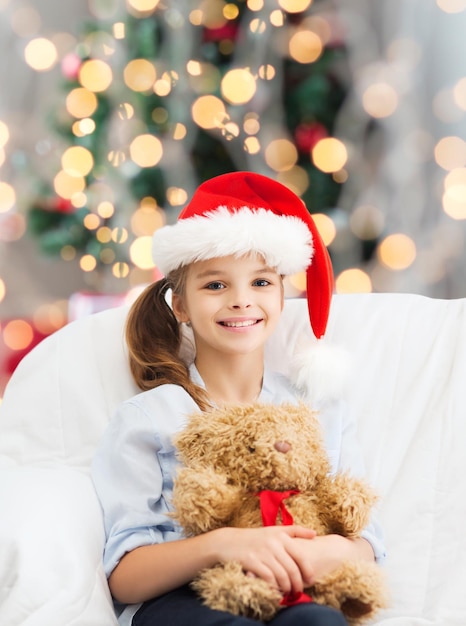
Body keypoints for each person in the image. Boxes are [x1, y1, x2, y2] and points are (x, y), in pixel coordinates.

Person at [92, 171, 386, 626]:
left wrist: (327, 550)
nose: (241, 301)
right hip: (186, 602)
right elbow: (124, 576)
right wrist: (225, 543)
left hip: (296, 593)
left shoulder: (321, 409)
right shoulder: (150, 417)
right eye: (215, 285)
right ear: (181, 306)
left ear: (283, 293)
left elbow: (368, 544)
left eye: (262, 283)